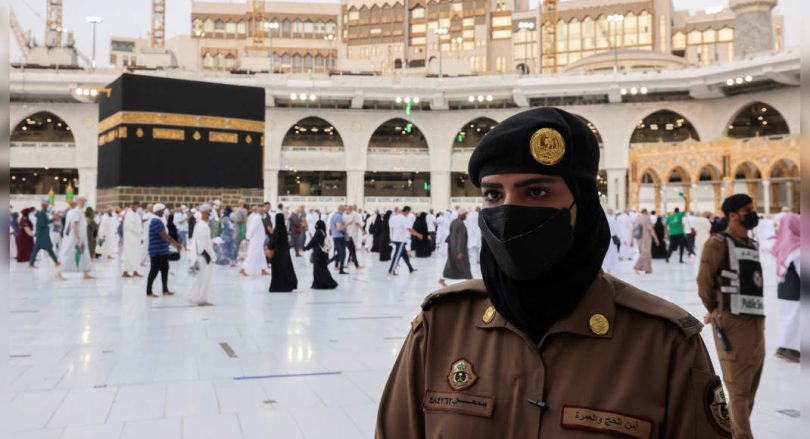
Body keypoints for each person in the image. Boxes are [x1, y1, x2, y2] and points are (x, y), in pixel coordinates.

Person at [377, 107, 729, 438]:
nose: (509, 210)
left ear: (584, 206)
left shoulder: (661, 345)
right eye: (493, 194)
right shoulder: (440, 329)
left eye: (537, 192)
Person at [697, 193, 764, 439]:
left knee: (750, 387)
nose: (753, 213)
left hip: (756, 321)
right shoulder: (718, 244)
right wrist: (715, 311)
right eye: (748, 209)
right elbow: (704, 281)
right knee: (737, 389)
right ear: (733, 215)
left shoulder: (750, 244)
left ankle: (736, 432)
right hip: (732, 322)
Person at [771, 212, 799, 362]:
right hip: (795, 290)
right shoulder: (797, 246)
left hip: (784, 288)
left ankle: (784, 347)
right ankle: (788, 349)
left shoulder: (782, 243)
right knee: (794, 319)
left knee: (786, 318)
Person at [146, 203, 182, 298]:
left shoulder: (159, 220)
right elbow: (164, 235)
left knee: (165, 270)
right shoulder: (155, 221)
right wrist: (176, 243)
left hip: (162, 250)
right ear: (158, 211)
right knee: (154, 271)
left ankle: (165, 290)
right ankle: (149, 291)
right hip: (156, 251)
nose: (164, 212)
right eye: (162, 210)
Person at [56, 197, 94, 280]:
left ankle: (86, 274)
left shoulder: (77, 212)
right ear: (80, 202)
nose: (85, 203)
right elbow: (74, 224)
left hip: (81, 238)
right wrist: (77, 236)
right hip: (74, 238)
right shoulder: (76, 212)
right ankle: (58, 274)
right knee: (67, 255)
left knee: (84, 254)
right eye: (84, 201)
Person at [186, 204, 215, 306]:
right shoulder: (202, 225)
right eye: (208, 212)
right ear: (203, 213)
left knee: (202, 278)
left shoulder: (201, 224)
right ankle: (200, 300)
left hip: (203, 255)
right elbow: (204, 244)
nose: (209, 214)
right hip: (204, 256)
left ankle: (197, 297)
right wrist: (212, 256)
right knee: (203, 278)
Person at [438, 208, 472, 287]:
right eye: (465, 214)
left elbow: (450, 234)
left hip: (452, 246)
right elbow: (461, 238)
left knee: (451, 263)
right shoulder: (461, 224)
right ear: (461, 215)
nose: (466, 216)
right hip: (459, 248)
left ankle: (443, 279)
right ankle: (470, 279)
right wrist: (460, 251)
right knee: (464, 264)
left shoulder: (454, 222)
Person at [267, 212, 298, 292]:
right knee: (285, 270)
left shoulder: (276, 230)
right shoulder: (283, 229)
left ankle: (278, 287)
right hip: (284, 254)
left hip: (277, 256)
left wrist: (269, 246)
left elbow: (272, 242)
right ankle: (287, 285)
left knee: (277, 272)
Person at [304, 220, 338, 290]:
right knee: (323, 269)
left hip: (318, 254)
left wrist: (306, 248)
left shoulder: (318, 232)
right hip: (323, 254)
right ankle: (325, 283)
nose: (315, 226)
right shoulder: (323, 232)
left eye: (316, 225)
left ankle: (321, 284)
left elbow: (313, 241)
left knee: (318, 269)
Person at [388, 206, 421, 275]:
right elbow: (409, 229)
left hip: (396, 238)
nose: (408, 214)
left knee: (404, 254)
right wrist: (418, 234)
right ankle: (391, 270)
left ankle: (410, 268)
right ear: (406, 211)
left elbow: (391, 227)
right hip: (400, 240)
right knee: (397, 255)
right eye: (408, 212)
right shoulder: (403, 218)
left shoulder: (395, 217)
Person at [28, 200, 59, 268]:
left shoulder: (42, 213)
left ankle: (31, 263)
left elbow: (44, 222)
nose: (48, 206)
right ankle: (56, 262)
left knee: (42, 249)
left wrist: (51, 220)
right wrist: (52, 220)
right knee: (48, 248)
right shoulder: (42, 213)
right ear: (44, 206)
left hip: (42, 234)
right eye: (47, 205)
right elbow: (43, 224)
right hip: (42, 235)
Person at [241, 206, 269, 276]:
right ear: (261, 213)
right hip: (255, 241)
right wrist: (248, 237)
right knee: (252, 255)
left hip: (259, 241)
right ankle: (243, 269)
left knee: (261, 256)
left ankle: (263, 270)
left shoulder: (258, 218)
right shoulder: (256, 219)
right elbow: (252, 229)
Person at [632, 209, 659, 275]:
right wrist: (656, 238)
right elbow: (651, 229)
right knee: (646, 252)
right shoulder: (646, 218)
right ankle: (637, 266)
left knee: (645, 253)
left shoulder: (636, 219)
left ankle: (647, 269)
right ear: (646, 212)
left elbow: (634, 229)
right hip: (646, 237)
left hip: (638, 238)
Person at [122, 200, 143, 277]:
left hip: (136, 238)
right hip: (130, 238)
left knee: (135, 254)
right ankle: (125, 271)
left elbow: (139, 225)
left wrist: (140, 235)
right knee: (128, 254)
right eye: (138, 205)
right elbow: (130, 226)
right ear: (133, 205)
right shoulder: (129, 214)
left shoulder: (136, 214)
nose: (138, 207)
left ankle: (135, 271)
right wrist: (138, 231)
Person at [330, 205, 349, 274]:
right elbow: (338, 228)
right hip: (339, 237)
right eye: (345, 209)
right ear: (342, 209)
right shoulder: (339, 216)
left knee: (339, 253)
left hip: (336, 237)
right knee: (343, 253)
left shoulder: (334, 215)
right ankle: (341, 270)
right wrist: (346, 225)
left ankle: (327, 262)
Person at [602, 208, 618, 274]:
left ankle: (605, 268)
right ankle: (608, 269)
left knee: (605, 253)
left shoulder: (603, 218)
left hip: (604, 237)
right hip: (611, 238)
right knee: (610, 254)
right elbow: (615, 229)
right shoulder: (612, 219)